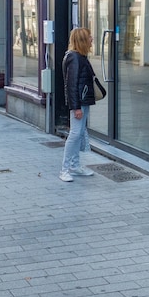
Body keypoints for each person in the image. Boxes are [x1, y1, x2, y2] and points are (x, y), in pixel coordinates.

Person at [60, 27, 98, 182]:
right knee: (75, 134)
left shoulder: (79, 56)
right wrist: (75, 107)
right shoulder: (75, 58)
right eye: (89, 37)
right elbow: (71, 85)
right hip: (79, 103)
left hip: (83, 101)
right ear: (82, 40)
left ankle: (74, 166)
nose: (92, 39)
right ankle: (64, 170)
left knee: (79, 133)